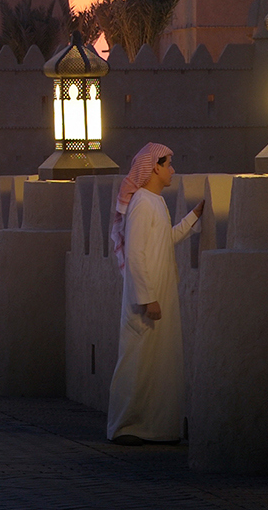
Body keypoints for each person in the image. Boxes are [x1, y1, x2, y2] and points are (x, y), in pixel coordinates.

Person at [106, 142, 206, 445]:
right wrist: (148, 298)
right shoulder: (142, 204)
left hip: (159, 294)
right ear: (154, 167)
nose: (172, 171)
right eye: (168, 165)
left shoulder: (154, 202)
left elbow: (165, 239)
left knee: (159, 362)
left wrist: (193, 217)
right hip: (145, 301)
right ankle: (127, 426)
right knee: (137, 362)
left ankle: (156, 426)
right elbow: (135, 253)